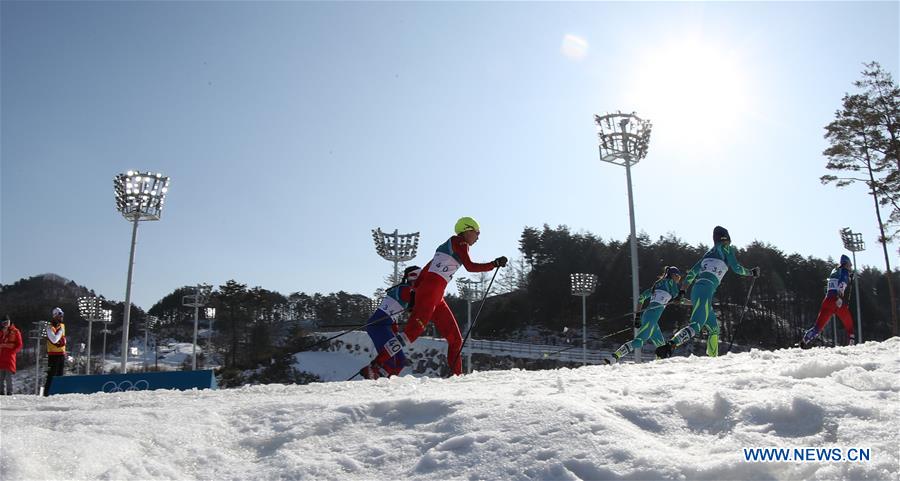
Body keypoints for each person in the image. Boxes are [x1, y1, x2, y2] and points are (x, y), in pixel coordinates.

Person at [371, 217, 507, 376]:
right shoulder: (459, 242)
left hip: (436, 296)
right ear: (467, 230)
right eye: (477, 232)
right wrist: (494, 264)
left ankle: (457, 378)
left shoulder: (449, 245)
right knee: (410, 335)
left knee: (456, 340)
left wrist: (415, 294)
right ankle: (376, 364)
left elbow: (426, 270)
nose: (478, 237)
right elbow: (470, 267)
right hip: (431, 294)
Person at [656, 226, 760, 359]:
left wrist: (682, 292)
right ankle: (670, 345)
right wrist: (751, 272)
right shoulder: (727, 249)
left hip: (698, 290)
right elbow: (737, 268)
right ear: (726, 238)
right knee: (696, 326)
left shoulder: (707, 254)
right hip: (705, 291)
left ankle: (712, 358)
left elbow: (691, 275)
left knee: (714, 329)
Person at [605, 266, 686, 364]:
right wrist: (693, 302)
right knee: (639, 341)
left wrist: (638, 316)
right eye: (678, 276)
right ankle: (614, 357)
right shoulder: (671, 283)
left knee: (662, 348)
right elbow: (681, 300)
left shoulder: (657, 284)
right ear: (673, 275)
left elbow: (641, 298)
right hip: (651, 317)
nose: (679, 279)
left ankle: (658, 367)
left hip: (649, 316)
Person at [360, 266, 421, 380]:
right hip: (378, 326)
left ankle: (389, 383)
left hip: (385, 326)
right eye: (419, 279)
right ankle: (374, 378)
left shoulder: (407, 290)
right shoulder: (405, 290)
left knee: (401, 361)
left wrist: (395, 332)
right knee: (390, 361)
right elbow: (418, 299)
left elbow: (394, 315)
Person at [801, 255, 856, 347]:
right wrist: (839, 297)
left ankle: (804, 340)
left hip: (827, 300)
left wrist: (849, 278)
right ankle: (852, 342)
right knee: (849, 323)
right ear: (846, 264)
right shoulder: (845, 272)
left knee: (818, 327)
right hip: (836, 300)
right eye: (850, 265)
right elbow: (842, 283)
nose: (850, 267)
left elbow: (836, 279)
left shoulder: (834, 270)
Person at [43, 307, 67, 396]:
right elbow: (54, 340)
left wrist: (62, 341)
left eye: (62, 315)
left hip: (61, 354)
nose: (62, 317)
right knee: (51, 376)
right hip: (53, 355)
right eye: (60, 315)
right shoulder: (50, 327)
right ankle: (46, 394)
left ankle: (58, 394)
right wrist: (60, 333)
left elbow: (63, 341)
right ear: (55, 316)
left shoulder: (62, 326)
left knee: (60, 376)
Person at [0, 315, 24, 395]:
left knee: (8, 377)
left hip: (10, 358)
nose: (6, 324)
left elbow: (19, 344)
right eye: (4, 322)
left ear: (9, 321)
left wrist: (13, 351)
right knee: (0, 377)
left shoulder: (15, 331)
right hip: (1, 357)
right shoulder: (1, 332)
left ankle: (9, 393)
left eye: (7, 322)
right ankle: (1, 393)